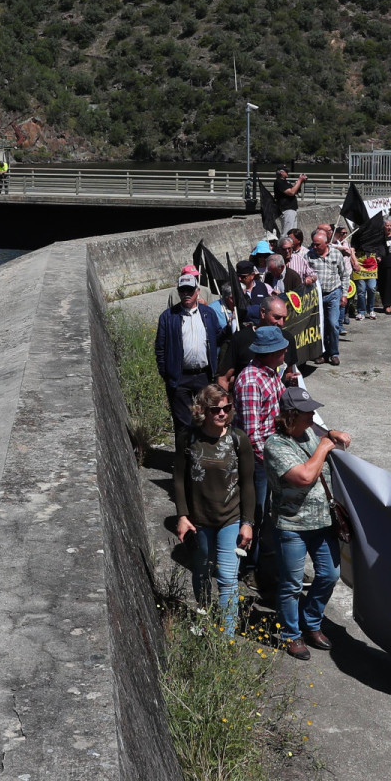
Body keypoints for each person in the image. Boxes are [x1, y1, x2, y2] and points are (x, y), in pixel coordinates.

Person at [265, 386, 352, 660]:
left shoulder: (311, 434)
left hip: (322, 523)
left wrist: (330, 434)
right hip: (292, 526)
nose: (312, 415)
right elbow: (304, 476)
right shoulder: (275, 445)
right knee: (291, 584)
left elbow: (325, 438)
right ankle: (292, 634)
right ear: (290, 416)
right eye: (306, 412)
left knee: (329, 575)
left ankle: (311, 622)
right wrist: (326, 445)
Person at [172, 383, 256, 636]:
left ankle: (226, 637)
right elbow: (179, 479)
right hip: (199, 520)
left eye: (227, 408)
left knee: (228, 578)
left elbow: (248, 483)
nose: (222, 414)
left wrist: (248, 523)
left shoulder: (238, 439)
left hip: (230, 518)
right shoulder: (188, 438)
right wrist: (182, 516)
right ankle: (205, 620)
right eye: (215, 410)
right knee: (201, 572)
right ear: (202, 411)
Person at [233, 325, 291, 580]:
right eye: (282, 349)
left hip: (269, 455)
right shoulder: (250, 381)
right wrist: (268, 463)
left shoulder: (271, 373)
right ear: (270, 353)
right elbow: (251, 435)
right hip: (258, 461)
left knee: (266, 511)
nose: (286, 351)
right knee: (254, 512)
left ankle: (262, 561)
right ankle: (250, 568)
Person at [154, 272, 223, 441]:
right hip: (179, 378)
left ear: (197, 291)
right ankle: (183, 463)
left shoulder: (208, 314)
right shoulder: (168, 317)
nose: (186, 294)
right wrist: (168, 374)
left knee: (208, 419)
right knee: (183, 424)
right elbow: (160, 349)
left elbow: (219, 339)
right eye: (182, 290)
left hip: (204, 375)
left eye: (189, 290)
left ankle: (206, 459)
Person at [305, 229, 347, 367]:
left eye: (318, 245)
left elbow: (344, 275)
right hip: (316, 296)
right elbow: (304, 273)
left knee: (333, 324)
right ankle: (322, 353)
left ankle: (334, 353)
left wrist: (344, 294)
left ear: (327, 243)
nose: (314, 247)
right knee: (319, 326)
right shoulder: (309, 256)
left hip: (333, 293)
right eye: (313, 244)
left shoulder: (336, 254)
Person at [274, 168, 304, 238]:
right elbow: (291, 192)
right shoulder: (279, 182)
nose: (288, 172)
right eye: (286, 171)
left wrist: (299, 182)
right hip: (286, 209)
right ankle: (283, 247)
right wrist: (299, 180)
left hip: (292, 209)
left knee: (293, 233)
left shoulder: (286, 182)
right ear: (281, 172)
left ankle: (291, 246)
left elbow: (295, 190)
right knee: (287, 232)